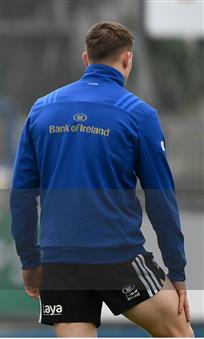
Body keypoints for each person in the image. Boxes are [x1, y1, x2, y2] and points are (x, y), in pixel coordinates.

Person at [10, 21, 193, 337]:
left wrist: (30, 260)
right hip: (117, 257)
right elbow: (161, 199)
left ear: (85, 59)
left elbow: (22, 196)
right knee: (179, 333)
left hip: (60, 260)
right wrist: (177, 271)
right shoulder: (139, 114)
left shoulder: (42, 109)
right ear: (127, 60)